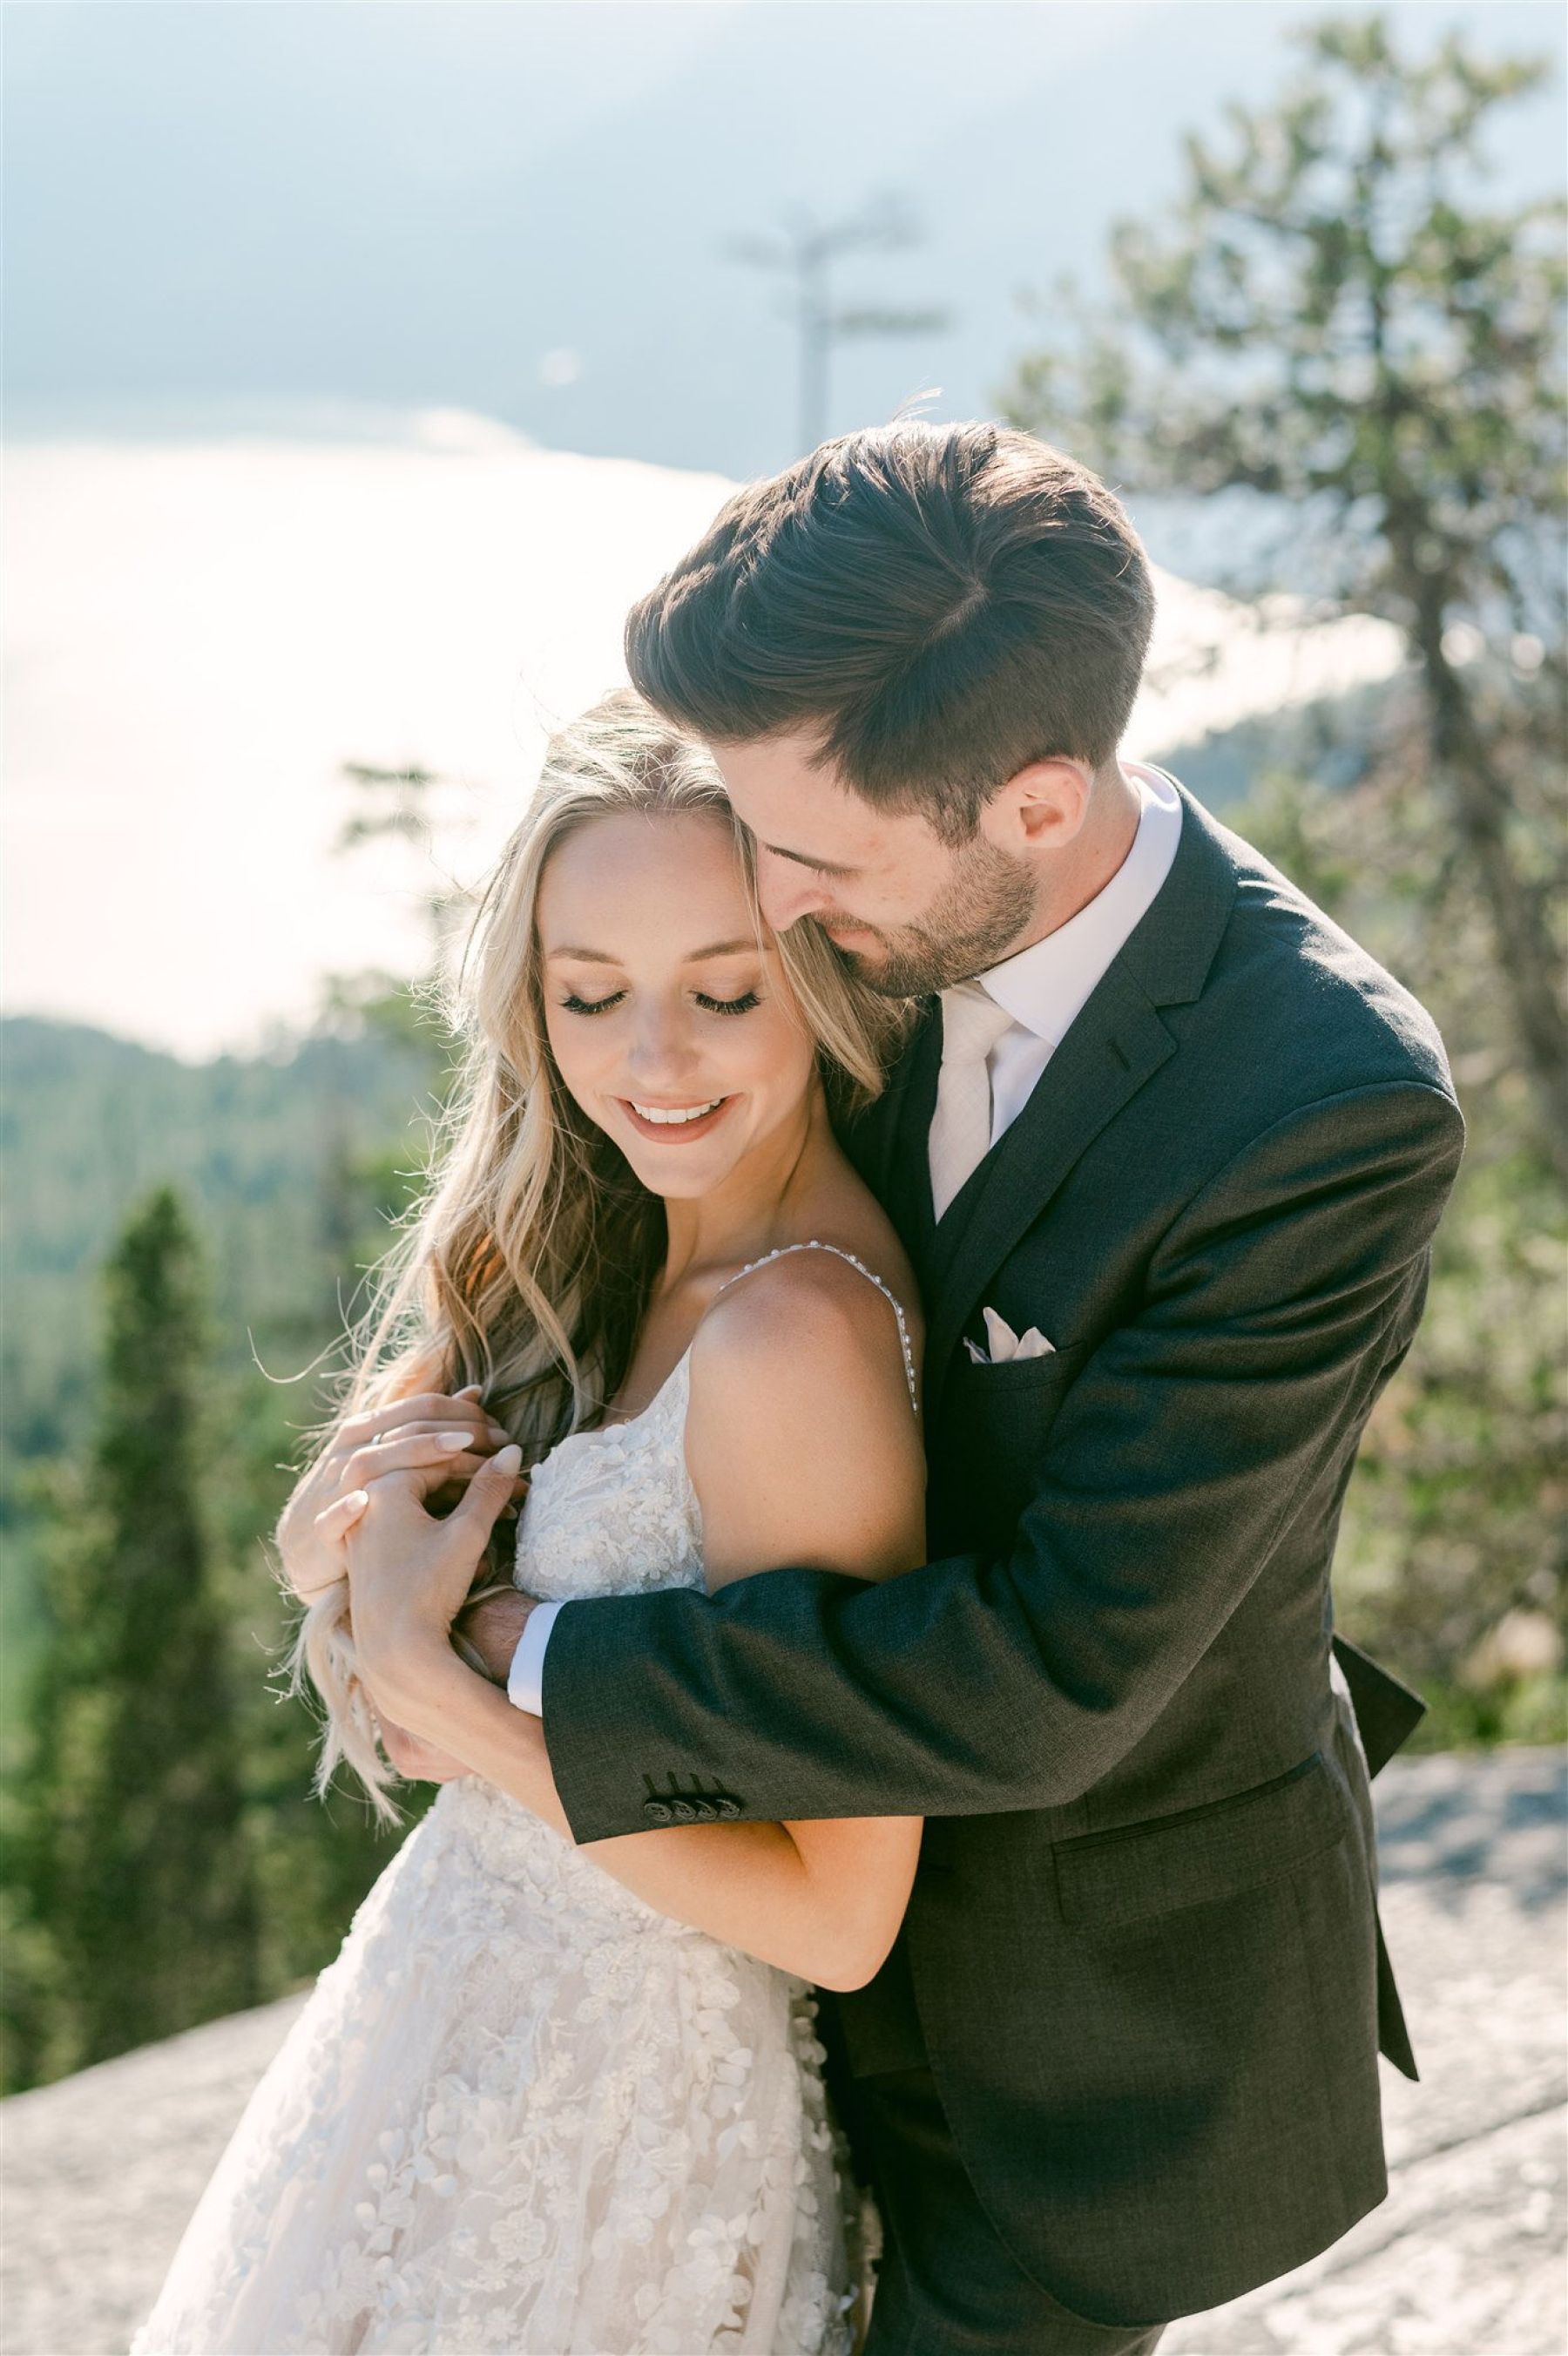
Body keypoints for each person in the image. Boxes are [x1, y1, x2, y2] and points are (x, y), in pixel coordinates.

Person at [406, 423, 1466, 2353]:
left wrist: (511, 1665)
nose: (774, 908)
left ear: (1039, 803)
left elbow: (1063, 1663)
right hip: (726, 1977)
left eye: (803, 855)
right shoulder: (876, 899)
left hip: (1073, 2035)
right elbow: (644, 1246)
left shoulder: (1321, 1110)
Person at [130, 694, 928, 2354]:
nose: (653, 1063)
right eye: (591, 996)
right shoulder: (608, 1241)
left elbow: (842, 1918)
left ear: (824, 973)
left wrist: (464, 1715)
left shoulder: (795, 1344)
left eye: (723, 991)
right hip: (436, 2036)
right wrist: (329, 1559)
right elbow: (351, 1554)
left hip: (616, 2122)